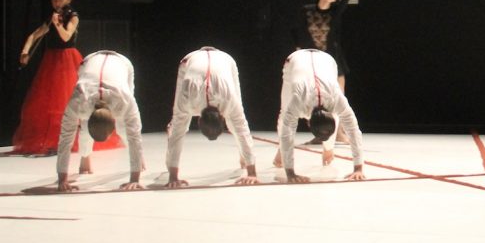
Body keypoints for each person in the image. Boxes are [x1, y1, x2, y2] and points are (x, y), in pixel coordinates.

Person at [12, 0, 120, 155]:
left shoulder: (72, 16)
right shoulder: (53, 16)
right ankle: (53, 140)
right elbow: (34, 35)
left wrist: (57, 24)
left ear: (68, 0)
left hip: (67, 59)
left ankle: (74, 140)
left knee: (69, 98)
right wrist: (25, 51)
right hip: (51, 59)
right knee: (49, 100)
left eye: (59, 0)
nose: (56, 3)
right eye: (54, 0)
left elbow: (66, 36)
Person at [295, 0, 370, 143]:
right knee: (316, 99)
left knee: (339, 96)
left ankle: (339, 133)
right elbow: (299, 31)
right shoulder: (307, 10)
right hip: (314, 61)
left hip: (333, 59)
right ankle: (320, 134)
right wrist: (299, 49)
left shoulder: (335, 10)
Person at [165, 46, 258, 188]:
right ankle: (246, 159)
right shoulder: (188, 99)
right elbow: (242, 129)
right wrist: (173, 177)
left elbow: (242, 129)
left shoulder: (227, 101)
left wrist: (252, 173)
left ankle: (244, 157)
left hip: (225, 61)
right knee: (178, 123)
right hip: (190, 61)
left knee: (238, 121)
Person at [272, 48, 367, 183]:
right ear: (308, 122)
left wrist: (358, 168)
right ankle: (281, 149)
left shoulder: (336, 98)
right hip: (294, 60)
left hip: (328, 61)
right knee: (284, 114)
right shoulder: (297, 99)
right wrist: (290, 172)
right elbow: (287, 131)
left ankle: (328, 149)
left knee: (338, 115)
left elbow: (353, 129)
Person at [55, 50, 144, 192]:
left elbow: (135, 135)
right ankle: (85, 156)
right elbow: (66, 137)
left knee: (124, 128)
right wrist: (62, 179)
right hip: (88, 63)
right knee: (84, 128)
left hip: (123, 63)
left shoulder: (125, 101)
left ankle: (139, 159)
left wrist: (135, 178)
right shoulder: (79, 102)